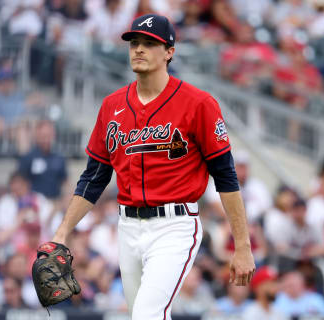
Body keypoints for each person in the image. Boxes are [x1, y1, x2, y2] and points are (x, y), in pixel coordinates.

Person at [43, 13, 255, 320]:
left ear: (169, 51)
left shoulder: (199, 104)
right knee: (143, 316)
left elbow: (225, 176)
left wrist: (243, 245)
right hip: (127, 228)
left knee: (146, 315)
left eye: (149, 43)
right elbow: (94, 177)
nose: (138, 49)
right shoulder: (112, 105)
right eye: (134, 43)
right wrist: (62, 232)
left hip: (175, 226)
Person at [18, 119, 68, 200]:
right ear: (37, 136)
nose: (46, 140)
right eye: (43, 136)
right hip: (33, 204)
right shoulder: (28, 158)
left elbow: (65, 183)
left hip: (54, 203)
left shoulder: (60, 158)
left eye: (49, 136)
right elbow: (20, 183)